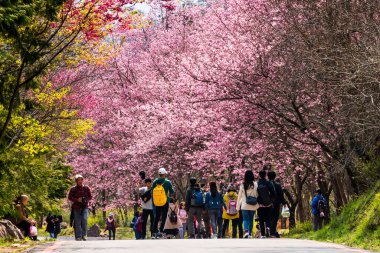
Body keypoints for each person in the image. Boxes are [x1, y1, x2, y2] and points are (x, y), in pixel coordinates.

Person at [68, 174, 93, 241]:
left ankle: (84, 235)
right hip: (76, 207)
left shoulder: (86, 188)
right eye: (78, 180)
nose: (80, 181)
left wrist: (85, 199)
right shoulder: (73, 189)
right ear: (76, 181)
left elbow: (90, 196)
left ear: (82, 180)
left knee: (84, 220)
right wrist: (77, 199)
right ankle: (78, 236)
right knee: (77, 222)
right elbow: (70, 197)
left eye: (81, 180)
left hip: (85, 207)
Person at [151, 167, 174, 239]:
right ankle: (161, 232)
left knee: (157, 217)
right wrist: (169, 198)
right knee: (164, 217)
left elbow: (152, 191)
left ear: (159, 174)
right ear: (164, 174)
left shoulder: (155, 182)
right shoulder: (167, 182)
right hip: (165, 202)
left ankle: (154, 233)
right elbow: (172, 192)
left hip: (157, 202)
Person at [237, 170, 259, 238]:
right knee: (251, 219)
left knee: (245, 219)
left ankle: (246, 232)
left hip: (244, 205)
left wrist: (237, 207)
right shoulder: (255, 184)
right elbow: (257, 194)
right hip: (253, 205)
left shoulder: (242, 185)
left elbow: (239, 196)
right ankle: (249, 234)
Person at [257, 170, 276, 238]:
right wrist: (270, 201)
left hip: (260, 205)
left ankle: (262, 234)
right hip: (268, 204)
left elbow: (256, 194)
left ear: (259, 175)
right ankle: (268, 228)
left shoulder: (257, 183)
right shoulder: (268, 183)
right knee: (268, 218)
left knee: (261, 219)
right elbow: (273, 193)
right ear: (265, 175)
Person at [268, 171, 287, 238]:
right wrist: (284, 202)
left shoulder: (266, 184)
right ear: (275, 176)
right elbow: (281, 195)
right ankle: (273, 232)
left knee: (270, 217)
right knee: (275, 217)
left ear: (268, 176)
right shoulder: (277, 185)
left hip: (267, 204)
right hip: (276, 203)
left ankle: (271, 231)